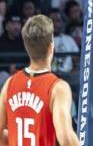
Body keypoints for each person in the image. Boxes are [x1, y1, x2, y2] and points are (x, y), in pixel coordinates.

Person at [0, 14, 79, 145]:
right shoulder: (57, 87)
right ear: (51, 47)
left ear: (26, 47)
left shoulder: (10, 83)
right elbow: (66, 138)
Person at [49, 9, 78, 75]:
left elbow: (77, 59)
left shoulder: (69, 39)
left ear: (62, 23)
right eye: (52, 21)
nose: (55, 24)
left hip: (69, 75)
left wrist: (74, 69)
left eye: (58, 21)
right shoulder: (41, 40)